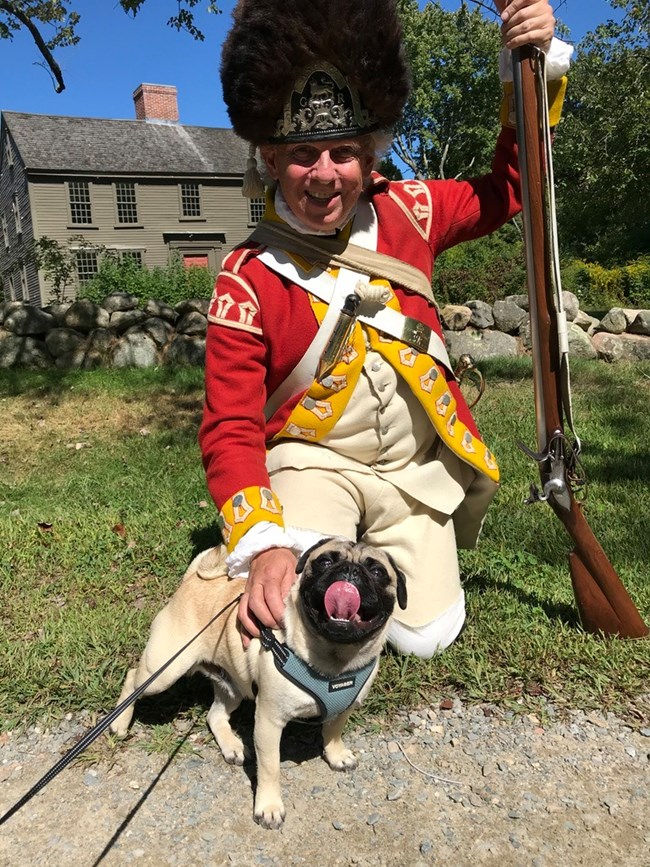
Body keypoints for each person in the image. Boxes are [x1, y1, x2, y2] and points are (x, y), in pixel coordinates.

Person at [199, 0, 571, 657]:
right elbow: (229, 425)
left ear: (370, 155)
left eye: (343, 152)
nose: (323, 173)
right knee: (303, 612)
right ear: (269, 157)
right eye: (303, 153)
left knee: (426, 636)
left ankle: (377, 536)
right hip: (311, 463)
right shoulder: (247, 276)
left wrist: (528, 66)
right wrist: (262, 542)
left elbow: (510, 189)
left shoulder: (414, 211)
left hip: (410, 471)